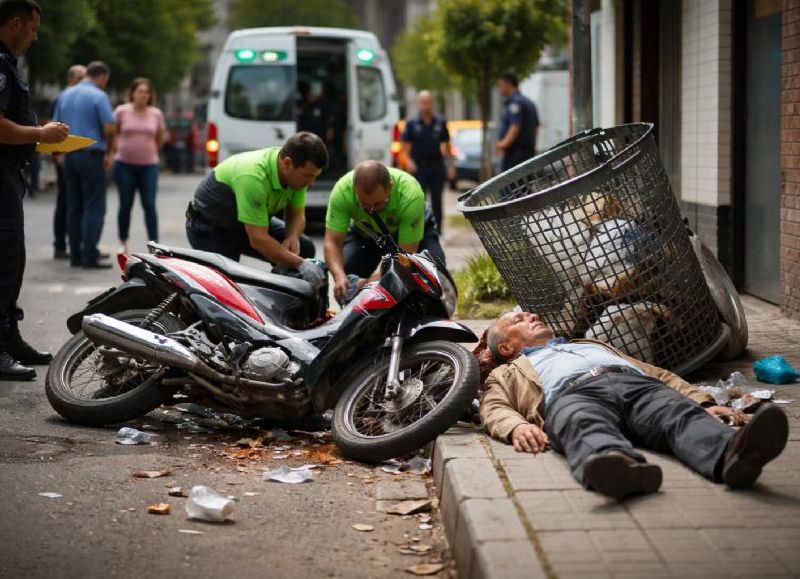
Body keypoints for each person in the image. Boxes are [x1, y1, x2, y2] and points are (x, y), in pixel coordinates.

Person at [480, 311, 790, 499]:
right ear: (506, 347)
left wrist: (701, 402)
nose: (532, 317)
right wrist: (517, 426)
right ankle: (618, 467)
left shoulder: (589, 344)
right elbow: (493, 408)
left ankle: (733, 456)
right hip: (572, 396)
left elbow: (658, 374)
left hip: (637, 386)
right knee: (581, 422)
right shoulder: (507, 372)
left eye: (530, 315)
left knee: (676, 413)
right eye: (519, 320)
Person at [0, 0, 70, 380]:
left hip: (11, 173)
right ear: (14, 23)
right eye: (32, 28)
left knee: (14, 259)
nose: (35, 36)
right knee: (4, 261)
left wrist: (38, 135)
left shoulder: (8, 64)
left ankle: (10, 337)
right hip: (2, 173)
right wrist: (41, 133)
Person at [185, 132, 328, 288]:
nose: (311, 182)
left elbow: (296, 214)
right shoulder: (254, 177)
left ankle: (284, 301)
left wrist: (292, 236)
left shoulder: (297, 175)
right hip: (211, 228)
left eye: (315, 177)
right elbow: (258, 239)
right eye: (307, 176)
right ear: (287, 163)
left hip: (246, 223)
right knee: (227, 288)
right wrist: (299, 263)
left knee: (304, 247)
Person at [324, 161, 445, 305]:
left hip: (410, 237)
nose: (371, 210)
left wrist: (367, 283)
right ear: (355, 190)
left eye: (378, 204)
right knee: (347, 272)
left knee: (432, 270)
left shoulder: (410, 194)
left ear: (390, 188)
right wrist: (339, 277)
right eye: (364, 204)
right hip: (367, 234)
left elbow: (405, 260)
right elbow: (332, 242)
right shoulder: (343, 191)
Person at [53, 60, 115, 269]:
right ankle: (89, 255)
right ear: (103, 76)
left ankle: (75, 255)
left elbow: (55, 126)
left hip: (69, 156)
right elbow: (108, 128)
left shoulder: (65, 94)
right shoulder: (99, 95)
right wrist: (110, 151)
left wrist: (59, 152)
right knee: (94, 206)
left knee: (74, 205)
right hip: (92, 155)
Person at [111, 77, 165, 254]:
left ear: (150, 95)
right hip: (124, 164)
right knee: (125, 204)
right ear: (132, 93)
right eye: (140, 91)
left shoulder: (156, 114)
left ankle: (154, 244)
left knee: (149, 204)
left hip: (149, 165)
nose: (143, 95)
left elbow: (159, 138)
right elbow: (114, 134)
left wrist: (147, 150)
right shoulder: (121, 111)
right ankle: (122, 241)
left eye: (146, 92)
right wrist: (115, 152)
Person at [402, 90, 454, 233]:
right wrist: (409, 161)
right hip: (419, 166)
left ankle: (437, 231)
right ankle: (420, 230)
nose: (427, 105)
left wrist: (451, 165)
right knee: (419, 200)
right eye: (424, 103)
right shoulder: (412, 123)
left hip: (436, 165)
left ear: (433, 103)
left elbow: (447, 145)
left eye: (429, 102)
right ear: (419, 104)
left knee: (437, 199)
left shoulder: (440, 121)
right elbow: (405, 148)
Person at [51, 64, 86, 260]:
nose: (84, 82)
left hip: (77, 154)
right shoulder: (62, 97)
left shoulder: (78, 96)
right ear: (70, 79)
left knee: (76, 201)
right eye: (80, 78)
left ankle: (78, 244)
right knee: (66, 200)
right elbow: (53, 126)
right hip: (65, 155)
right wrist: (57, 154)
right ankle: (60, 245)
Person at [496, 74, 539, 172]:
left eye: (500, 85)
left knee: (509, 185)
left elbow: (515, 126)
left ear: (508, 84)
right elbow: (536, 127)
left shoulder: (515, 103)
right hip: (528, 151)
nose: (499, 89)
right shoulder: (529, 102)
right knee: (525, 184)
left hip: (514, 153)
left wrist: (503, 144)